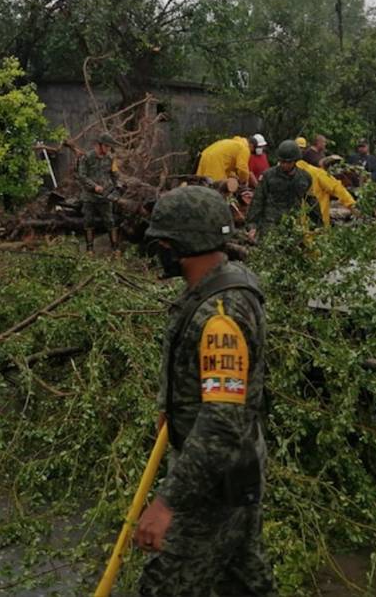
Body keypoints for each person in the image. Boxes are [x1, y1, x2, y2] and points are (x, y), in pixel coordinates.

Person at [135, 185, 274, 596]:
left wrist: (167, 503)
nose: (158, 251)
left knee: (164, 585)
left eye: (162, 242)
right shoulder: (218, 285)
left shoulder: (220, 316)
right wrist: (170, 404)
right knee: (243, 578)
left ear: (181, 246)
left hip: (215, 479)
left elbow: (220, 422)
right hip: (238, 466)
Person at [245, 140, 314, 239]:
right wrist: (252, 225)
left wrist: (319, 225)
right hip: (270, 224)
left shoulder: (304, 178)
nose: (284, 165)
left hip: (293, 224)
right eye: (282, 161)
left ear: (295, 161)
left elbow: (311, 202)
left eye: (288, 162)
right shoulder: (268, 176)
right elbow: (258, 200)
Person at [77, 132, 121, 252]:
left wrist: (118, 186)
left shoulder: (111, 158)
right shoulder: (86, 157)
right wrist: (94, 186)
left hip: (105, 196)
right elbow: (82, 176)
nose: (108, 149)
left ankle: (115, 249)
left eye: (109, 147)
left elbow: (115, 175)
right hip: (89, 196)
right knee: (88, 222)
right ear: (99, 145)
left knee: (110, 221)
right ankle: (89, 250)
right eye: (106, 146)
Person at [296, 155, 356, 226]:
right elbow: (337, 188)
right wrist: (353, 206)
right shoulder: (317, 173)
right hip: (318, 225)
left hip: (298, 227)